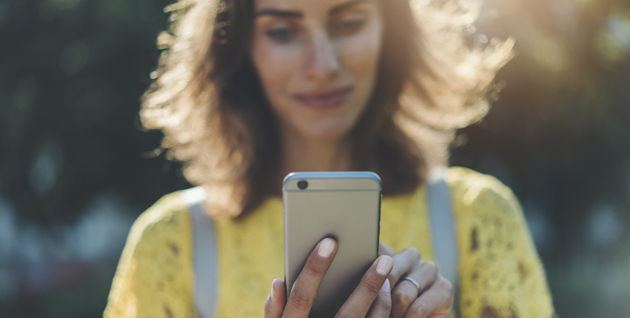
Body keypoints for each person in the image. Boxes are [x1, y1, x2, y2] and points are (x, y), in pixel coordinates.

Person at [104, 0, 555, 317]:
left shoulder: (479, 221)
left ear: (389, 32)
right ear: (240, 47)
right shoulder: (169, 247)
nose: (322, 63)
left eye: (348, 22)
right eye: (282, 31)